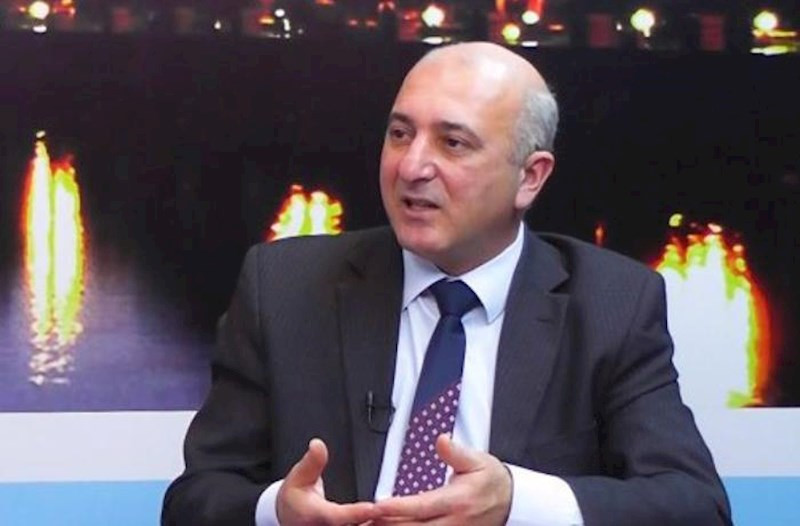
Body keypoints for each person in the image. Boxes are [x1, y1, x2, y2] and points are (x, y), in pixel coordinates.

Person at [162, 42, 732, 525]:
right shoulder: (283, 288)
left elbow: (696, 506)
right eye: (399, 134)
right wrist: (276, 512)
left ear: (530, 177)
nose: (411, 167)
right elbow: (194, 501)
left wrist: (517, 502)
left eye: (452, 143)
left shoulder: (612, 305)